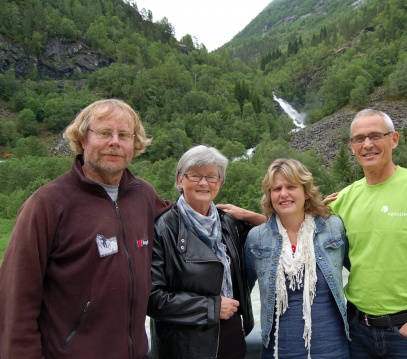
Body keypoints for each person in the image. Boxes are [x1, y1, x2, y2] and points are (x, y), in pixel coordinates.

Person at [0, 99, 173, 358]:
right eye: (104, 133)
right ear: (83, 139)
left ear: (134, 145)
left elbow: (185, 217)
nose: (115, 142)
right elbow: (16, 299)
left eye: (124, 135)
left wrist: (251, 219)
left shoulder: (144, 195)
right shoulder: (48, 203)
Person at [325, 109, 407, 358]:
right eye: (359, 138)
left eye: (376, 135)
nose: (367, 145)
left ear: (394, 139)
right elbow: (299, 230)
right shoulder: (342, 200)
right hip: (357, 331)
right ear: (351, 146)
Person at [147, 145, 258, 359]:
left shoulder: (231, 223)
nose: (204, 183)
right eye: (196, 176)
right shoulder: (162, 228)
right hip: (184, 348)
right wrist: (211, 308)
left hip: (232, 340)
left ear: (220, 183)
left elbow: (276, 233)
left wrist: (252, 216)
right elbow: (151, 298)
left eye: (211, 177)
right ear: (181, 180)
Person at [245, 158, 350, 359]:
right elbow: (241, 291)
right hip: (278, 351)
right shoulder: (256, 238)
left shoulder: (333, 227)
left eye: (291, 186)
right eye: (276, 189)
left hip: (333, 349)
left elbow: (361, 272)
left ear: (305, 190)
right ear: (269, 195)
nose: (284, 194)